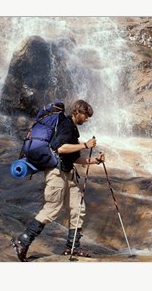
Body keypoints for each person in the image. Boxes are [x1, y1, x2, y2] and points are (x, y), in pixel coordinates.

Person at [11, 99, 105, 262]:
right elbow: (59, 148)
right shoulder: (65, 124)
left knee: (78, 207)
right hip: (56, 172)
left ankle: (72, 247)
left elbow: (74, 157)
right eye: (86, 115)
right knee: (52, 208)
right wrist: (85, 145)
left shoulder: (73, 130)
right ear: (77, 112)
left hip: (68, 173)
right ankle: (22, 241)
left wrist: (95, 161)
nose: (87, 119)